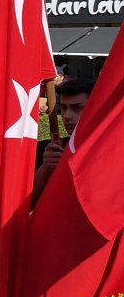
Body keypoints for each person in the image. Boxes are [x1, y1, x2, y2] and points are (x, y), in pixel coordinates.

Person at [32, 77, 94, 206]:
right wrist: (45, 169)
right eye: (64, 108)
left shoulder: (112, 150)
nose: (67, 116)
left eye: (77, 108)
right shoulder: (48, 150)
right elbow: (28, 202)